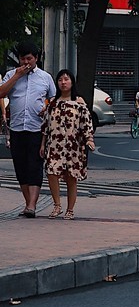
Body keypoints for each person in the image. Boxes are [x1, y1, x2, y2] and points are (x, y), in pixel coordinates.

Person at [0, 44, 56, 218]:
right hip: (17, 127)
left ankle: (31, 205)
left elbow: (53, 98)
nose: (26, 62)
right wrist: (17, 76)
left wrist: (47, 108)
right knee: (21, 167)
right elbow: (1, 93)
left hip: (37, 128)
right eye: (23, 59)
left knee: (35, 165)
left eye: (29, 59)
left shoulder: (45, 77)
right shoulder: (11, 75)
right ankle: (28, 204)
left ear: (36, 58)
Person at [39, 69, 95, 218]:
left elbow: (86, 123)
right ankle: (57, 205)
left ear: (72, 82)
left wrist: (89, 139)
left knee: (71, 177)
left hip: (73, 147)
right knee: (51, 172)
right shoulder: (52, 103)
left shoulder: (79, 102)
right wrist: (43, 144)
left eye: (66, 79)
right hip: (54, 145)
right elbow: (45, 125)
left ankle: (70, 210)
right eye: (60, 80)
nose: (63, 82)